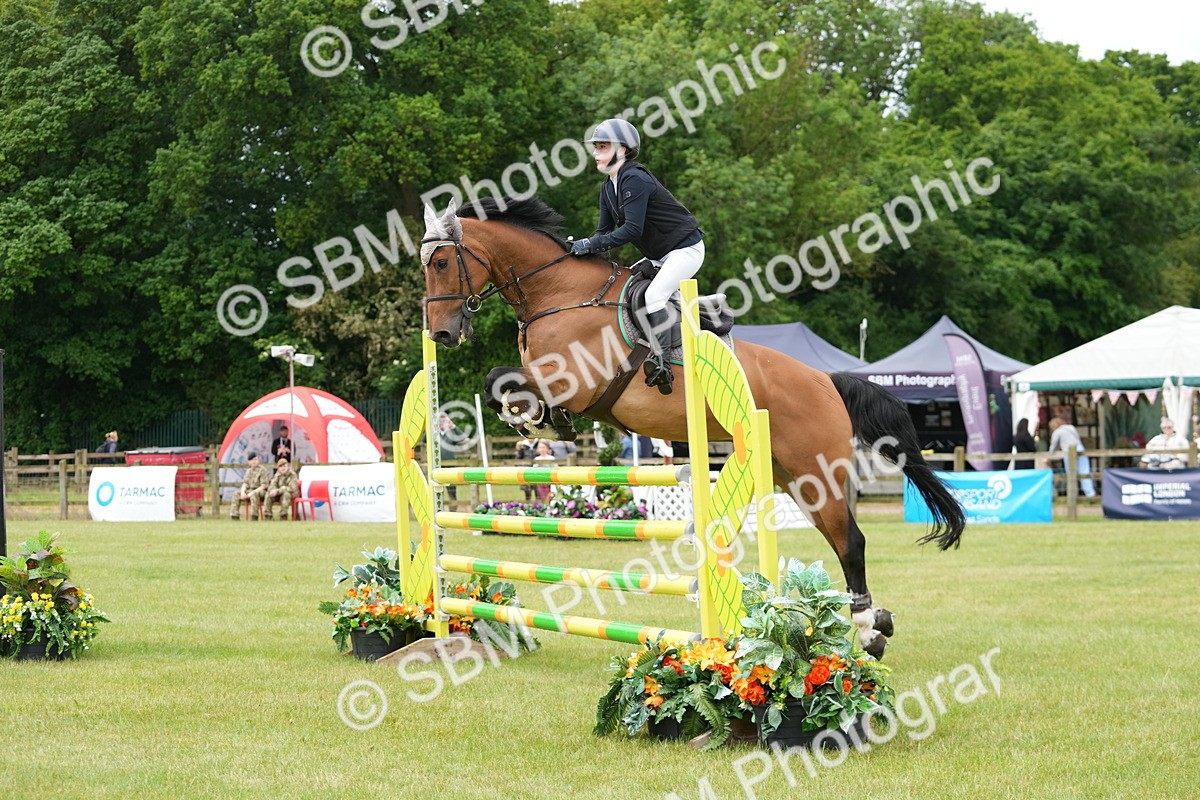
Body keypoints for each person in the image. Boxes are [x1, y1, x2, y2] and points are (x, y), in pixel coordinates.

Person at [569, 118, 704, 394]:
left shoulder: (635, 178)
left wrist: (589, 244)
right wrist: (576, 249)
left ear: (623, 150)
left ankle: (663, 362)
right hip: (658, 256)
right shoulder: (608, 187)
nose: (596, 153)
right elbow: (603, 232)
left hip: (685, 250)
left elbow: (632, 229)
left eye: (603, 147)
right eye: (596, 147)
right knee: (623, 291)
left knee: (654, 297)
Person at [1048, 417, 1096, 497]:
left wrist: (1049, 456)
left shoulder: (1057, 432)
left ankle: (1073, 494)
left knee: (1070, 473)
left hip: (1068, 452)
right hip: (1080, 448)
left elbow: (1053, 447)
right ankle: (1090, 493)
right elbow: (1078, 438)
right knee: (1084, 471)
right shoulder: (1071, 427)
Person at [231, 453, 271, 520]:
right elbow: (245, 483)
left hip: (260, 491)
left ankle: (254, 516)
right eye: (252, 460)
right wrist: (243, 492)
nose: (254, 461)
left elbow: (264, 485)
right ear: (249, 462)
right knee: (236, 494)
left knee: (254, 494)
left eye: (255, 459)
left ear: (258, 460)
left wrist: (252, 493)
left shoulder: (262, 470)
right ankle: (235, 516)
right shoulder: (248, 471)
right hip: (250, 490)